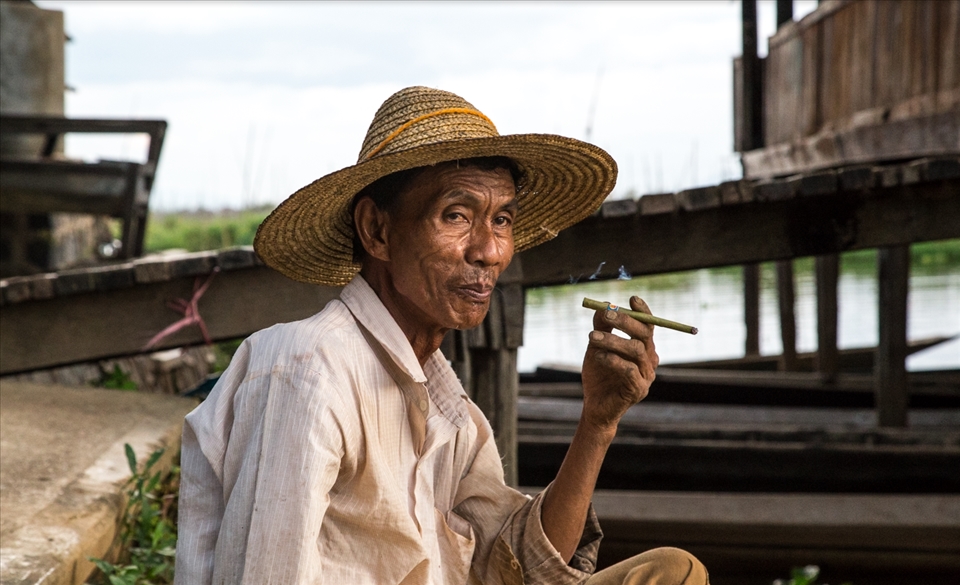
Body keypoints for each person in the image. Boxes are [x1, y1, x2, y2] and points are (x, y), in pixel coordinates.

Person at [174, 86, 708, 585]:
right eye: (456, 215)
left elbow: (524, 569)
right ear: (378, 231)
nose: (491, 251)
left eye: (501, 220)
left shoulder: (445, 406)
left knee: (670, 572)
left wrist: (598, 420)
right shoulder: (308, 368)